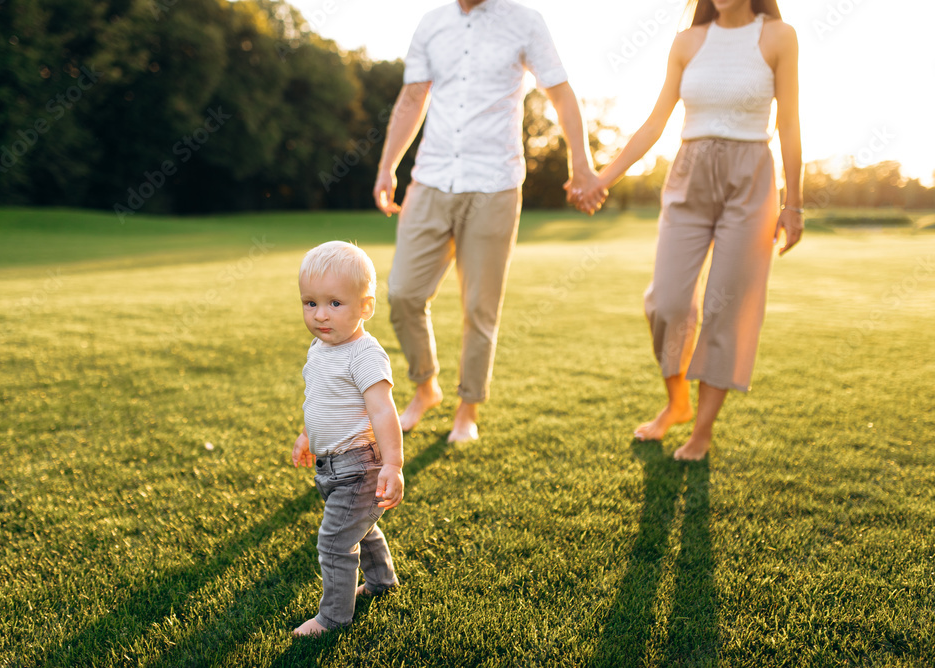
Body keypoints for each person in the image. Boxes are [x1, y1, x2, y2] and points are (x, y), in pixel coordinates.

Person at [575, 0, 803, 461]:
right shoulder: (687, 41)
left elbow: (789, 122)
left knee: (728, 308)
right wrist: (602, 177)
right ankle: (676, 400)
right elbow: (656, 123)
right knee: (667, 302)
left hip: (751, 176)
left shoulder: (780, 36)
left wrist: (793, 203)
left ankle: (701, 431)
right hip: (689, 174)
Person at [373, 0, 604, 444]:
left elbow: (560, 92)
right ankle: (426, 388)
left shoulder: (526, 21)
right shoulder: (432, 23)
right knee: (403, 293)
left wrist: (583, 165)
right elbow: (411, 98)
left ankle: (467, 409)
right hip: (431, 178)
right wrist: (388, 167)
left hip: (495, 184)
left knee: (480, 307)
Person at [290, 241, 404, 636]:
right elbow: (319, 398)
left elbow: (383, 412)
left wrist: (392, 464)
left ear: (365, 307)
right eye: (310, 303)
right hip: (330, 465)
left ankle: (334, 617)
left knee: (335, 542)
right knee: (361, 527)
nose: (320, 315)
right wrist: (308, 435)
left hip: (361, 466)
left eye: (335, 303)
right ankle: (382, 581)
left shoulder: (364, 355)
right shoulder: (320, 347)